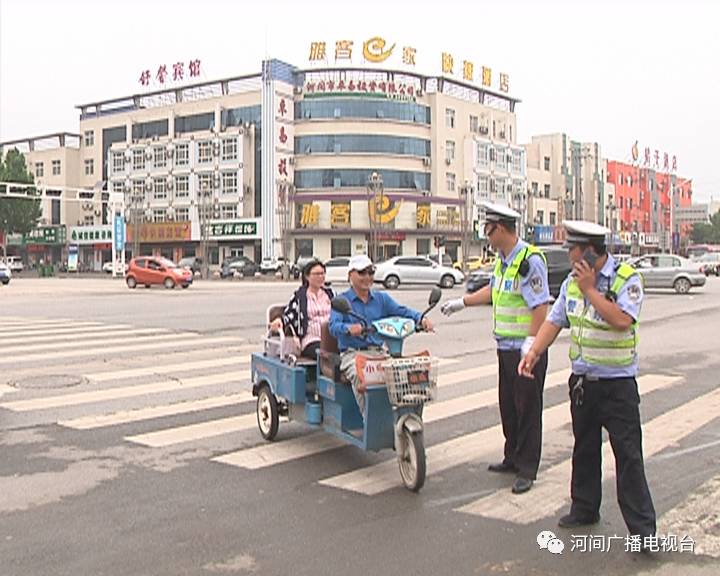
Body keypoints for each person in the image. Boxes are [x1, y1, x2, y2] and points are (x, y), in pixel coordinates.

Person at [518, 220, 656, 540]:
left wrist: (591, 290)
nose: (569, 256)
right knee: (584, 448)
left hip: (618, 385)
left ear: (591, 254)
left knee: (629, 456)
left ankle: (643, 530)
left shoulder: (626, 279)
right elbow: (554, 321)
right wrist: (534, 353)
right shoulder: (570, 284)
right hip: (583, 383)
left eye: (573, 250)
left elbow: (622, 320)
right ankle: (584, 508)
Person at [440, 202, 550, 495]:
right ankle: (512, 456)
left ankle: (527, 468)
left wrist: (532, 344)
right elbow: (494, 290)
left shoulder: (529, 259)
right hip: (505, 347)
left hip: (526, 350)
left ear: (500, 228)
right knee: (509, 407)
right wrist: (462, 302)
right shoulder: (504, 259)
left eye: (488, 231)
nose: (486, 237)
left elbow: (541, 306)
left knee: (527, 409)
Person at [329, 254, 433, 415]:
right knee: (361, 377)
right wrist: (349, 328)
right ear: (350, 275)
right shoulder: (342, 301)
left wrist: (421, 318)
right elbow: (333, 327)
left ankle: (405, 415)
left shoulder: (381, 298)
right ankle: (368, 419)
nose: (367, 277)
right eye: (362, 273)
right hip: (353, 355)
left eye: (370, 272)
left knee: (410, 376)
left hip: (379, 352)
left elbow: (401, 311)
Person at [270, 258, 334, 360]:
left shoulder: (330, 294)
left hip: (332, 338)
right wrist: (280, 321)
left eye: (323, 273)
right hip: (311, 339)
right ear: (307, 276)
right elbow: (290, 314)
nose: (321, 277)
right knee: (325, 355)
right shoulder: (300, 296)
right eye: (317, 274)